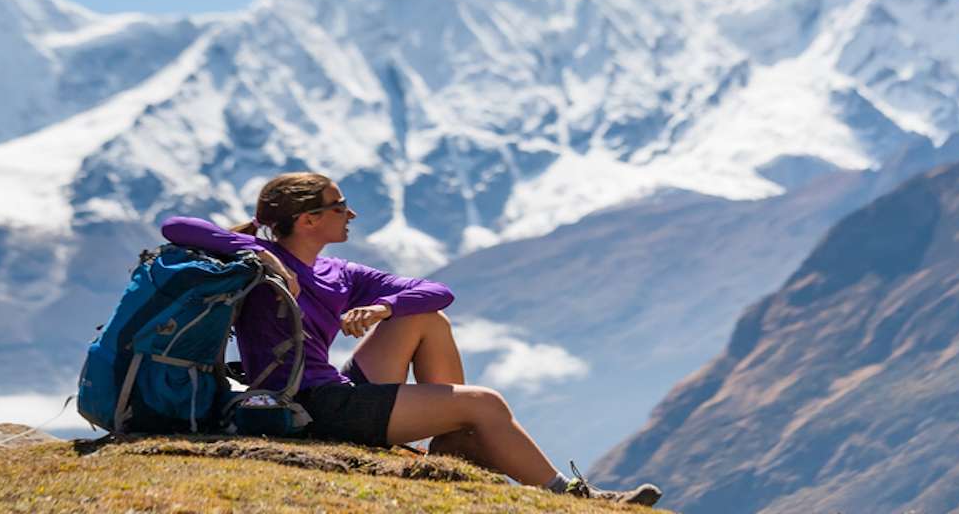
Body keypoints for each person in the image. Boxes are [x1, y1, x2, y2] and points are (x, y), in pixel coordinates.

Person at [159, 172, 661, 506]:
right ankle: (577, 498)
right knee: (486, 402)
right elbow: (176, 226)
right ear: (309, 220)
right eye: (340, 207)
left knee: (425, 320)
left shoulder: (340, 272)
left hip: (334, 386)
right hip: (307, 404)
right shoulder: (258, 260)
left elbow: (437, 292)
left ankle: (451, 441)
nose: (350, 215)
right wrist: (262, 256)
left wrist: (384, 307)